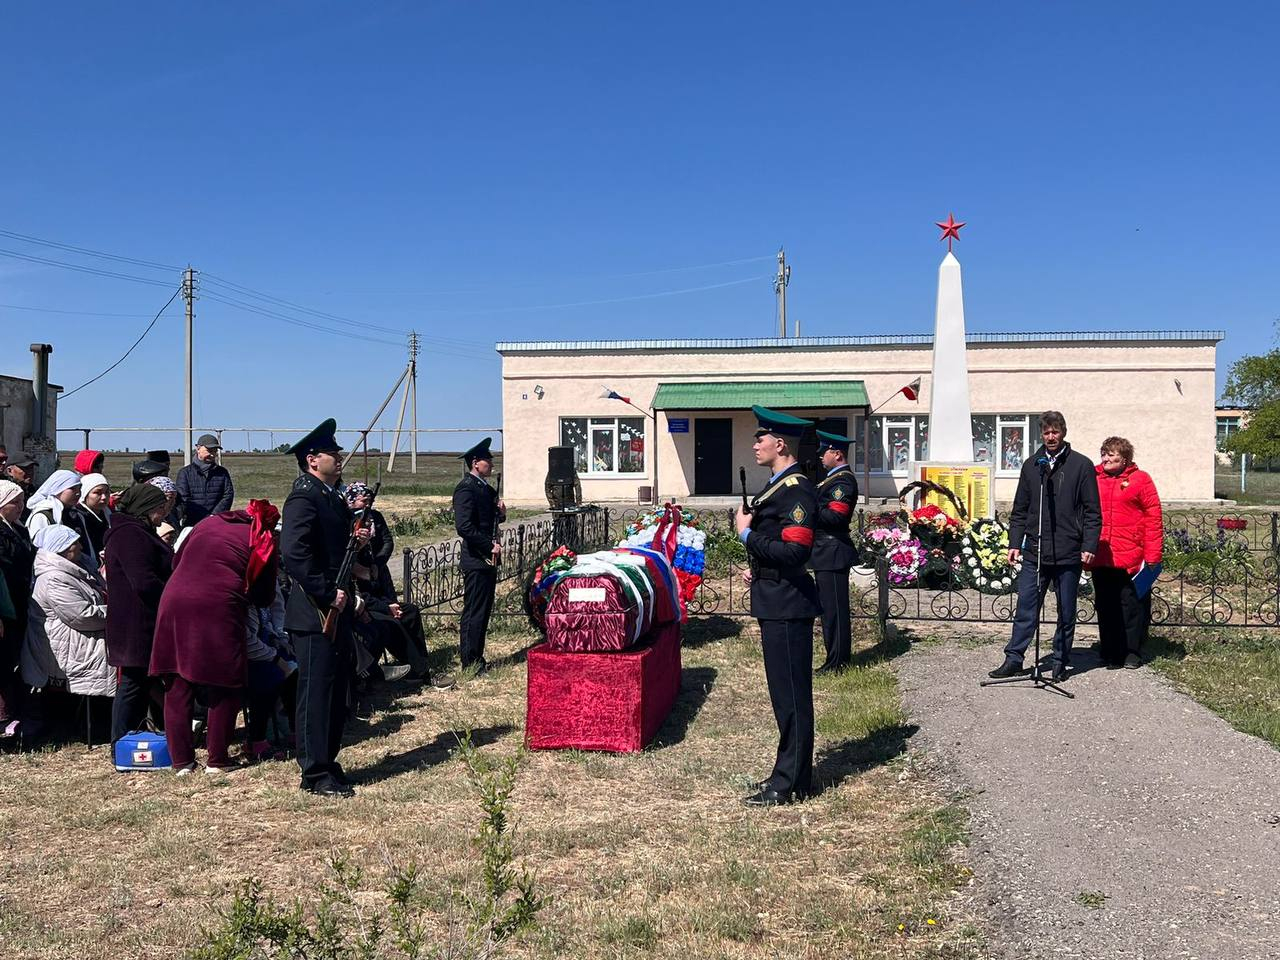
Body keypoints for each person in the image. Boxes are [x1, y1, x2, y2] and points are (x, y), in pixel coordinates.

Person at [150, 500, 280, 774]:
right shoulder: (263, 537)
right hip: (219, 605)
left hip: (174, 599)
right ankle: (218, 759)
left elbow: (177, 559)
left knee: (177, 681)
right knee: (226, 681)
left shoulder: (208, 523)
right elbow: (264, 594)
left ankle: (182, 762)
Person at [735, 407, 822, 807]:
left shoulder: (796, 490)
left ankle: (790, 783)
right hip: (776, 598)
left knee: (791, 697)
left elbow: (795, 549)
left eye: (761, 439)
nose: (755, 445)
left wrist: (748, 536)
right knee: (783, 696)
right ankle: (789, 774)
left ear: (780, 444)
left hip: (788, 605)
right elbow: (780, 551)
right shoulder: (778, 485)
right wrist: (759, 564)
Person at [282, 419, 367, 798]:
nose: (339, 456)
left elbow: (331, 549)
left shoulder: (329, 495)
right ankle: (314, 772)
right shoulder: (304, 496)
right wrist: (326, 593)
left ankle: (328, 761)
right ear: (313, 459)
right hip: (315, 610)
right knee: (316, 693)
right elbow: (295, 554)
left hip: (338, 605)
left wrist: (356, 538)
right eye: (332, 452)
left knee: (335, 691)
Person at [989, 411, 1102, 682]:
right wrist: (1014, 543)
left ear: (1063, 432)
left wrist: (1089, 544)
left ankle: (1061, 659)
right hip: (1035, 552)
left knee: (1066, 609)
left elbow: (1092, 511)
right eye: (1047, 433)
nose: (1051, 437)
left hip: (1068, 551)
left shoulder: (1081, 465)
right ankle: (1014, 658)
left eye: (1055, 432)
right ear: (1042, 434)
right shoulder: (1032, 465)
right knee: (1026, 606)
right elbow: (1020, 510)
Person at [105, 482, 174, 743]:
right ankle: (120, 740)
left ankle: (132, 736)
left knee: (141, 683)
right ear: (145, 508)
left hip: (141, 620)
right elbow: (143, 580)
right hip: (136, 622)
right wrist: (172, 596)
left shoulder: (138, 531)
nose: (162, 514)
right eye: (158, 508)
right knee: (132, 683)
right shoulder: (129, 535)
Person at [1088, 437, 1163, 670]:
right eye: (1104, 453)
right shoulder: (1093, 478)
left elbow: (1153, 517)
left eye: (1112, 454)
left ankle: (1132, 651)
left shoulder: (1140, 480)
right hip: (1101, 553)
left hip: (1131, 555)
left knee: (1131, 605)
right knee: (1105, 603)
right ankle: (1109, 649)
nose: (1106, 458)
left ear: (1125, 458)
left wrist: (1153, 555)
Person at [21, 524, 114, 700]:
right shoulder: (53, 579)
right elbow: (83, 616)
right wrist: (117, 611)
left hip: (74, 644)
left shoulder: (79, 568)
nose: (80, 547)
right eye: (74, 543)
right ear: (60, 548)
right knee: (65, 709)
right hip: (63, 650)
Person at [452, 437, 505, 673]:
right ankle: (470, 661)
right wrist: (488, 545)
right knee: (474, 610)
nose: (491, 463)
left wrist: (501, 513)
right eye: (487, 460)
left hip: (488, 558)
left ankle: (478, 657)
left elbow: (490, 519)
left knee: (483, 611)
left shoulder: (485, 488)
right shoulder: (466, 488)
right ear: (475, 463)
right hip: (476, 557)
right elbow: (464, 526)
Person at [811, 429, 859, 674]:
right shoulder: (831, 479)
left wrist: (809, 506)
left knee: (835, 612)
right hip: (825, 551)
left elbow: (836, 517)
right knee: (828, 610)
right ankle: (835, 657)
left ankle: (837, 662)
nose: (821, 456)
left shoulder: (843, 481)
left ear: (837, 454)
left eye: (824, 452)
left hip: (832, 550)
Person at [0, 480, 36, 741]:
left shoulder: (19, 529)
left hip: (20, 601)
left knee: (14, 658)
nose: (20, 507)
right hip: (6, 605)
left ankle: (15, 711)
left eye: (22, 501)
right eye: (14, 502)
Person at [176, 434, 234, 527]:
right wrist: (199, 516)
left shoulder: (222, 472)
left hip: (216, 522)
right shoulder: (185, 473)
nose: (212, 454)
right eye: (209, 450)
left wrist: (214, 515)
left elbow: (228, 495)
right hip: (193, 524)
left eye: (214, 451)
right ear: (198, 448)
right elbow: (183, 499)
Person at [70, 473, 112, 571]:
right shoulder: (77, 517)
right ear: (85, 494)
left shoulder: (108, 514)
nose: (104, 497)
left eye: (107, 492)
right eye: (97, 493)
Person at [25, 470, 82, 539]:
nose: (78, 493)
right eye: (72, 488)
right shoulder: (43, 516)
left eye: (79, 488)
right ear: (58, 488)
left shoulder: (74, 513)